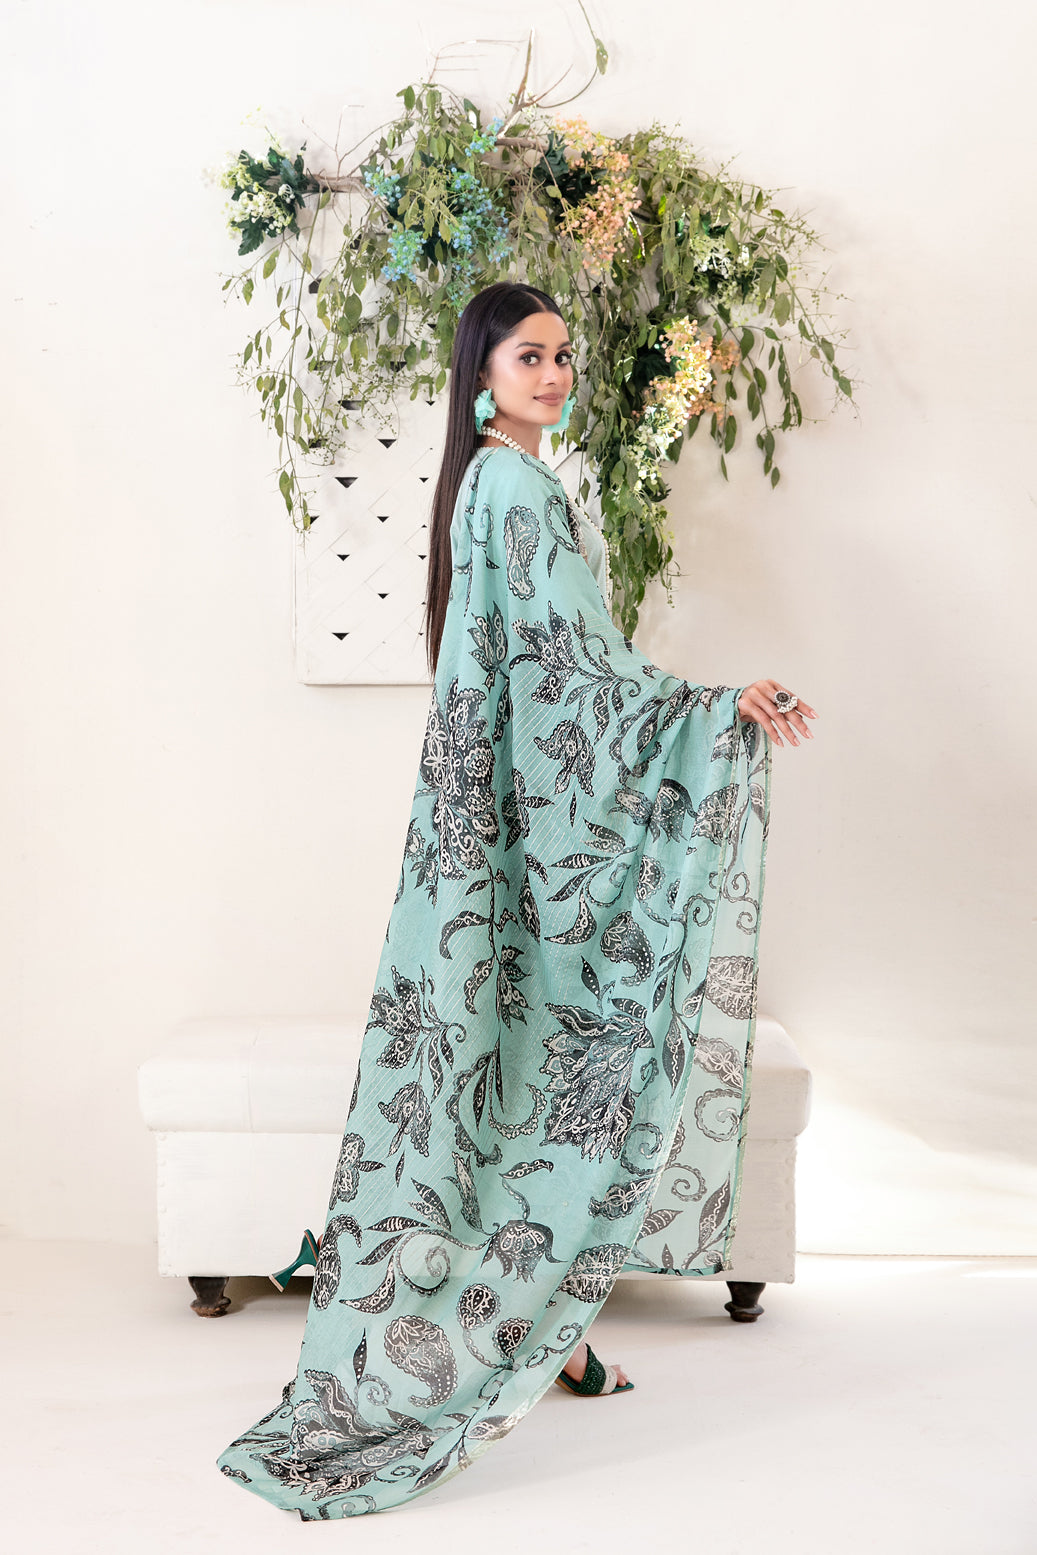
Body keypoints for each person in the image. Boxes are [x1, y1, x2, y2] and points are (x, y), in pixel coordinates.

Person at [216, 281, 818, 1520]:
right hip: (523, 842)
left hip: (490, 832)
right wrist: (714, 709)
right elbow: (578, 675)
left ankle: (545, 1329)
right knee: (546, 1066)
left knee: (510, 1073)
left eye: (561, 356)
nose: (552, 374)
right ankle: (513, 1328)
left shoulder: (488, 484)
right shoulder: (515, 488)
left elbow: (549, 674)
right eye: (527, 355)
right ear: (481, 371)